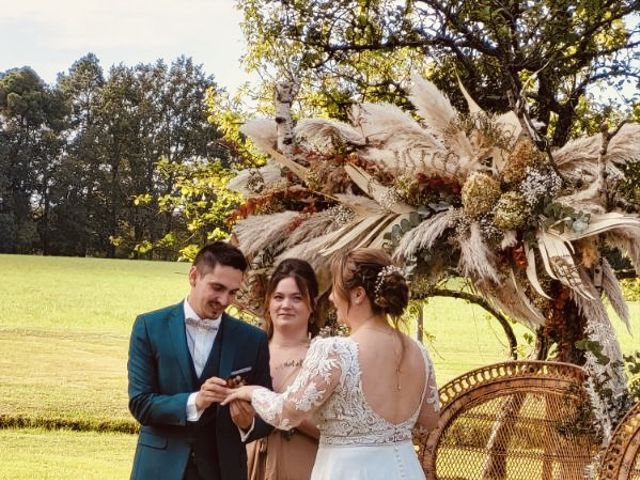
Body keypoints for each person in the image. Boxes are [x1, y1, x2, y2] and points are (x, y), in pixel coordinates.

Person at [224, 248, 440, 479]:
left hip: (350, 471)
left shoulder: (337, 350)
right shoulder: (419, 352)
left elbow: (285, 413)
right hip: (405, 469)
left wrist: (252, 391)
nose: (331, 298)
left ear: (358, 294)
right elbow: (428, 421)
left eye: (335, 290)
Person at [128, 241, 273, 480]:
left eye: (233, 292)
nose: (225, 300)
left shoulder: (253, 339)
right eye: (217, 288)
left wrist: (247, 423)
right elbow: (141, 404)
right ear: (194, 276)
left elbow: (268, 414)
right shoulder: (149, 327)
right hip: (159, 470)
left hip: (224, 471)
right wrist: (196, 401)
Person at [246, 259, 320, 480]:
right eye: (279, 297)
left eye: (297, 298)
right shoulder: (249, 352)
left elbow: (337, 429)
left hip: (303, 466)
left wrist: (281, 411)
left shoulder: (322, 357)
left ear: (312, 305)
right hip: (249, 463)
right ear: (268, 302)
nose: (286, 305)